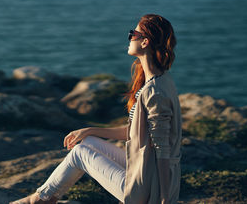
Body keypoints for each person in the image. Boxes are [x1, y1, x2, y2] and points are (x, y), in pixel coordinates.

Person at [10, 14, 182, 204]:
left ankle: (38, 200)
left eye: (133, 34)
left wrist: (164, 197)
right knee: (89, 141)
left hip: (147, 188)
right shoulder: (161, 80)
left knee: (80, 153)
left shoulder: (154, 90)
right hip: (144, 170)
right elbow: (136, 134)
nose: (130, 37)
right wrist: (91, 130)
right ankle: (43, 198)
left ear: (145, 42)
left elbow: (162, 147)